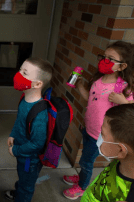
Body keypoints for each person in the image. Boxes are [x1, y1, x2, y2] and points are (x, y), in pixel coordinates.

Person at [62, 41, 134, 200]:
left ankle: (82, 186)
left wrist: (124, 102)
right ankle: (82, 177)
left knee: (87, 161)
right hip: (89, 128)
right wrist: (80, 86)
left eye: (111, 58)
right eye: (104, 56)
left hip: (101, 135)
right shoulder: (98, 80)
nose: (104, 60)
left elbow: (131, 111)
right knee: (85, 158)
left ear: (122, 66)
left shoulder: (122, 87)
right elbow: (90, 99)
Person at [5, 57, 53, 201]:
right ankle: (19, 191)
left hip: (29, 160)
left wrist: (16, 150)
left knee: (27, 185)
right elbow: (20, 121)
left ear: (38, 83)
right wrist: (13, 134)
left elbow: (37, 144)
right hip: (22, 151)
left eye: (25, 73)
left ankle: (21, 196)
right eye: (20, 69)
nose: (18, 75)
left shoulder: (39, 113)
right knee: (23, 178)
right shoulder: (24, 99)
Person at [81, 104, 134, 202]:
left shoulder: (128, 195)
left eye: (102, 134)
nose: (100, 137)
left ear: (121, 150)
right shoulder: (120, 161)